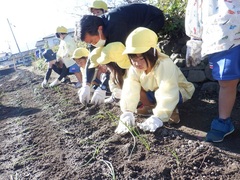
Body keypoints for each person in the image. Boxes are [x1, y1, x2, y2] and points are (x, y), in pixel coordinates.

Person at [77, 3, 165, 105]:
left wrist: (103, 87)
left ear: (100, 29)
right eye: (89, 43)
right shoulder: (94, 32)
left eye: (92, 41)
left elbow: (121, 59)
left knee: (138, 52)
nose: (93, 44)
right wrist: (86, 85)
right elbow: (92, 58)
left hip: (153, 18)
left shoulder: (116, 25)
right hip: (131, 28)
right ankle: (120, 92)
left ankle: (146, 94)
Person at [114, 27, 195, 135]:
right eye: (133, 59)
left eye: (141, 58)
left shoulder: (164, 64)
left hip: (178, 92)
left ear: (152, 53)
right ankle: (152, 107)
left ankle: (170, 111)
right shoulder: (134, 68)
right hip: (153, 92)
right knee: (135, 86)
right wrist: (127, 112)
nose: (137, 63)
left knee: (163, 95)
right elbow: (130, 87)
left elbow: (168, 89)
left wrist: (159, 116)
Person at [185, 1, 240, 142]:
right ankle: (223, 122)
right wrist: (195, 40)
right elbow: (195, 9)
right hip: (221, 37)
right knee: (227, 82)